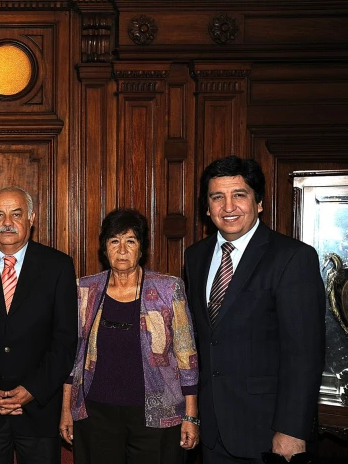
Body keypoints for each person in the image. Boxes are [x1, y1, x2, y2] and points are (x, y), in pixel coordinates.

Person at [184, 155, 325, 463]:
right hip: (212, 429)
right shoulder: (195, 257)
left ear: (259, 202)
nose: (228, 207)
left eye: (239, 195)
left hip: (268, 431)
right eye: (217, 197)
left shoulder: (292, 258)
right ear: (206, 208)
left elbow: (304, 353)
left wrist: (291, 430)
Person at [60, 208, 199, 464]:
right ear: (104, 248)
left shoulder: (168, 288)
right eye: (114, 241)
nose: (122, 250)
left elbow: (186, 355)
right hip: (95, 414)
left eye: (130, 241)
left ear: (142, 248)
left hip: (157, 415)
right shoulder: (84, 289)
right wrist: (66, 410)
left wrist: (190, 416)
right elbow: (73, 357)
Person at [0, 186, 78, 464]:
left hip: (39, 411)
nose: (7, 222)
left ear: (31, 218)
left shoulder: (58, 266)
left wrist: (33, 389)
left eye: (16, 214)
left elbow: (65, 339)